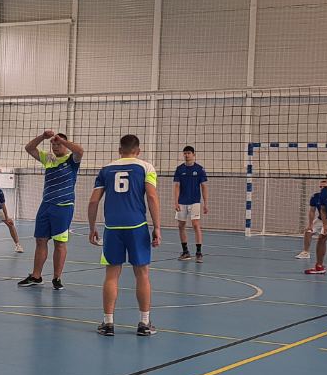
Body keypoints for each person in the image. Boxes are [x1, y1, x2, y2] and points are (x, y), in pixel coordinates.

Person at [87, 135, 161, 337]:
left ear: (119, 150)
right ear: (138, 150)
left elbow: (93, 202)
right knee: (142, 274)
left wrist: (92, 227)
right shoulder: (146, 167)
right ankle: (144, 323)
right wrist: (157, 227)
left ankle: (108, 323)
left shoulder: (105, 170)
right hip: (137, 226)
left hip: (112, 228)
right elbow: (152, 196)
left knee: (111, 274)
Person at [19, 130, 84, 289]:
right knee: (40, 240)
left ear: (65, 145)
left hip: (63, 207)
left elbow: (80, 151)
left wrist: (62, 140)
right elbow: (29, 148)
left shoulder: (72, 159)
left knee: (59, 243)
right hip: (46, 205)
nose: (55, 147)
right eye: (53, 144)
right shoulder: (49, 158)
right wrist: (43, 137)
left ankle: (57, 278)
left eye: (58, 144)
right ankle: (36, 276)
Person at [173, 145, 208, 263]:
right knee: (181, 225)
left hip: (195, 201)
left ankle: (199, 252)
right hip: (182, 202)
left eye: (188, 153)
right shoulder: (179, 169)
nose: (186, 155)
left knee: (195, 225)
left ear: (193, 155)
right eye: (185, 153)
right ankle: (185, 252)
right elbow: (177, 186)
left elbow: (204, 187)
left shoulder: (199, 169)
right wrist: (176, 202)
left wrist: (205, 203)